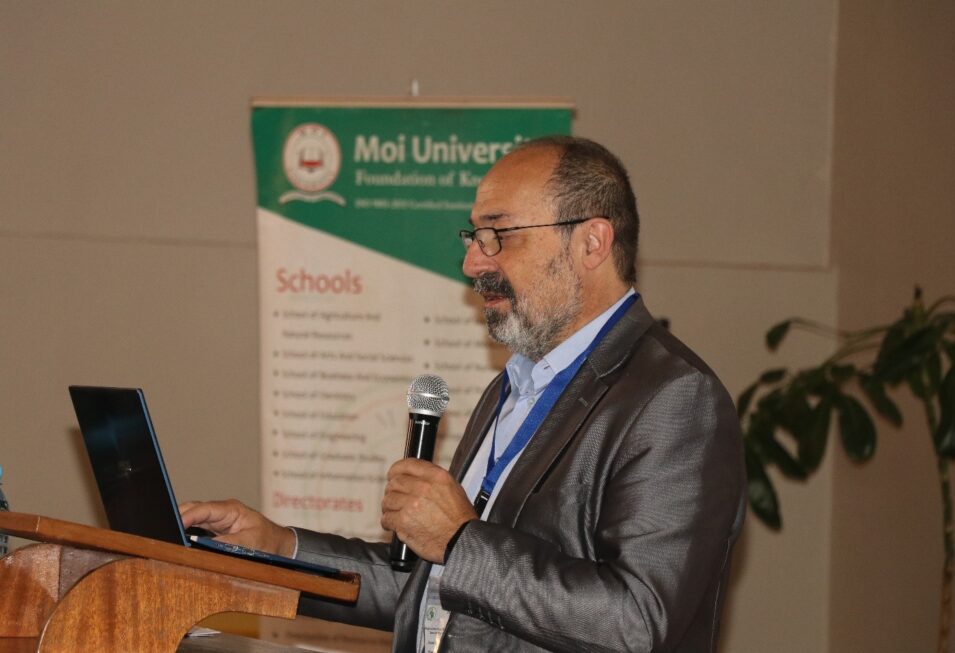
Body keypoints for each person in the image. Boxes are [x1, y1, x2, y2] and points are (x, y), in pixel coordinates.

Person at [181, 136, 746, 652]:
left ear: (591, 242)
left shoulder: (674, 399)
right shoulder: (517, 384)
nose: (473, 262)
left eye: (499, 234)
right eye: (474, 237)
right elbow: (428, 588)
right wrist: (278, 549)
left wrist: (460, 539)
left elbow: (638, 622)